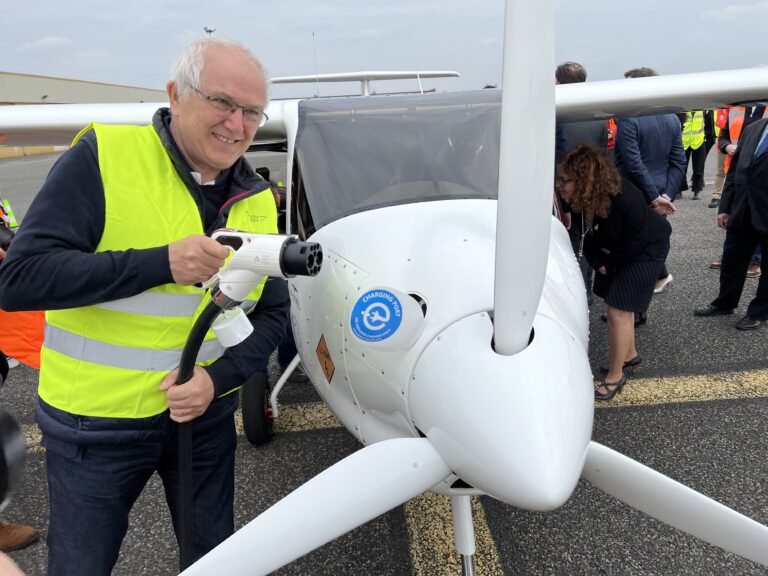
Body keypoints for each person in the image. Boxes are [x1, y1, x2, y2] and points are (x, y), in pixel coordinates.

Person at [0, 38, 289, 575]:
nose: (238, 123)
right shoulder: (105, 158)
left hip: (202, 418)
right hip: (96, 424)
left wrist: (216, 379)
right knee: (81, 565)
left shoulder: (254, 200)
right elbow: (18, 279)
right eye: (223, 102)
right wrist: (161, 264)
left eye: (252, 111)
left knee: (214, 561)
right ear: (177, 94)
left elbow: (272, 317)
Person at [557, 145, 671, 400]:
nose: (559, 185)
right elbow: (592, 238)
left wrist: (611, 264)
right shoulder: (585, 197)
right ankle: (629, 356)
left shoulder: (622, 196)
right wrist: (598, 262)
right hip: (627, 247)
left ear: (584, 179)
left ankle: (615, 377)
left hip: (648, 248)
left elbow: (638, 237)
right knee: (622, 306)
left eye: (564, 180)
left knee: (617, 309)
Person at [614, 67, 684, 295]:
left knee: (633, 250)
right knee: (648, 246)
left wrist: (655, 197)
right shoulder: (672, 118)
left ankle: (633, 309)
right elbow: (678, 162)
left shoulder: (628, 118)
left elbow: (633, 163)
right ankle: (654, 283)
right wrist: (665, 195)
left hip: (634, 193)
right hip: (660, 192)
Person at [693, 116, 768, 330]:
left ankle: (759, 312)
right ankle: (725, 302)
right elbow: (734, 171)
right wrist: (725, 207)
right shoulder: (753, 129)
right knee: (732, 259)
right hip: (742, 208)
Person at [554, 62, 610, 306]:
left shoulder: (556, 114)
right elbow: (603, 154)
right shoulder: (596, 116)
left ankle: (569, 292)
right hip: (591, 190)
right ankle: (585, 292)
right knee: (588, 241)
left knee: (567, 242)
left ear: (558, 81)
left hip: (563, 191)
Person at [679, 110, 715, 200]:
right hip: (684, 142)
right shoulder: (683, 108)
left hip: (698, 141)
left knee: (698, 168)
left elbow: (709, 127)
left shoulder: (704, 109)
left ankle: (697, 190)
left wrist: (706, 141)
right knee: (681, 167)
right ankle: (679, 190)